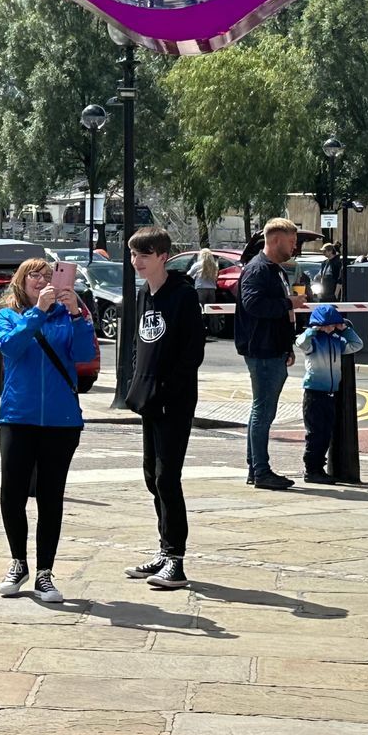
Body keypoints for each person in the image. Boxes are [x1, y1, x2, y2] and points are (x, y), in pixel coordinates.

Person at [0, 257, 98, 605]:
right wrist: (37, 311)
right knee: (13, 493)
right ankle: (17, 562)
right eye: (34, 276)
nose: (41, 281)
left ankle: (44, 573)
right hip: (18, 416)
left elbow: (84, 355)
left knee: (51, 497)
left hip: (60, 421)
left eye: (48, 276)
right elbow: (10, 347)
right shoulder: (8, 313)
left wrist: (78, 316)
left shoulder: (68, 315)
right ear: (21, 281)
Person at [122, 227, 207, 590]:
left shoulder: (183, 296)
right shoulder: (144, 294)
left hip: (174, 399)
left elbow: (193, 352)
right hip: (149, 399)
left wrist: (169, 388)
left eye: (144, 254)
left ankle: (176, 559)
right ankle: (164, 549)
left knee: (167, 477)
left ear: (162, 257)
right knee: (150, 476)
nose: (136, 261)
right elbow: (141, 345)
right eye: (133, 254)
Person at [235, 218, 304, 490]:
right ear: (275, 240)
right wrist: (289, 302)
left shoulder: (273, 269)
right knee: (263, 411)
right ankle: (261, 470)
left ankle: (256, 467)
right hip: (262, 350)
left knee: (261, 410)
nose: (294, 246)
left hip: (272, 348)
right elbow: (253, 304)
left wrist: (286, 346)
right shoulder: (258, 270)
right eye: (291, 241)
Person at [295, 302, 364, 482]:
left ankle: (319, 468)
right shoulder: (313, 343)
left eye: (333, 324)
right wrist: (313, 330)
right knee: (315, 434)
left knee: (325, 433)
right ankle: (311, 469)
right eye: (326, 324)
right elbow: (300, 342)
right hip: (314, 393)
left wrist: (345, 329)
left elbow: (357, 344)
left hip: (330, 393)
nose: (330, 327)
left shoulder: (337, 341)